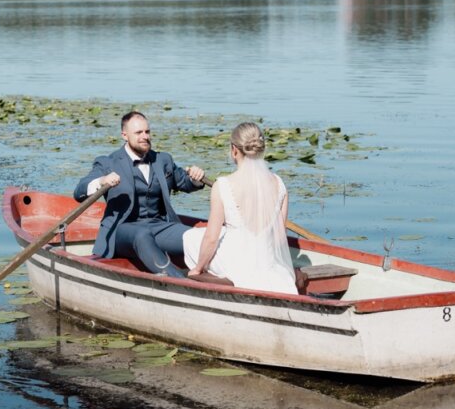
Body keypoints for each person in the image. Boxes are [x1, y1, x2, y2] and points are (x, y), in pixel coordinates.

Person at [74, 111, 205, 278]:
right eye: (138, 133)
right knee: (142, 235)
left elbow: (184, 182)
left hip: (159, 227)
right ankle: (180, 282)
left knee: (197, 237)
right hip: (122, 231)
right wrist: (102, 180)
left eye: (147, 131)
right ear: (124, 135)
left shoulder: (162, 160)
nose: (145, 136)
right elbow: (79, 192)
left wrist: (195, 178)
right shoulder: (108, 162)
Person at [183, 122, 297, 294]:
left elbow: (211, 238)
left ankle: (211, 277)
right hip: (267, 261)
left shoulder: (222, 185)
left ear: (234, 150)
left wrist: (198, 269)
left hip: (236, 263)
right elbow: (279, 238)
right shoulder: (279, 184)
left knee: (190, 237)